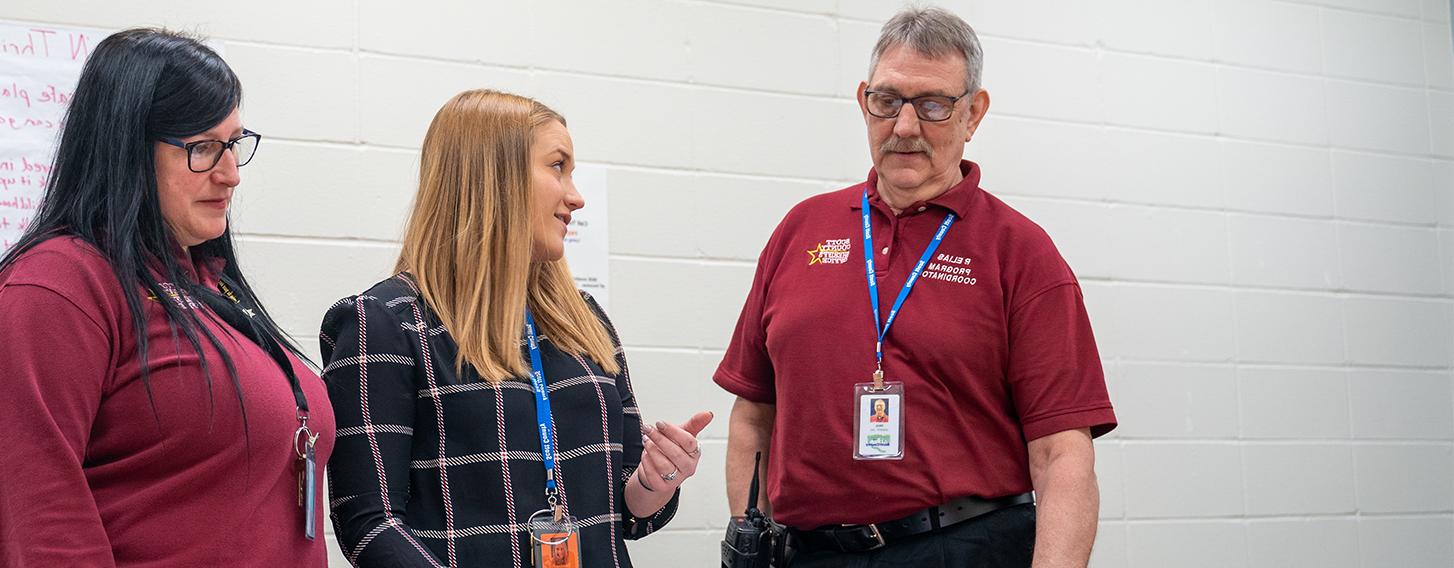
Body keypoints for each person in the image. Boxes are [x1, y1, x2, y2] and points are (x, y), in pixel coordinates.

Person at [716, 6, 1116, 567]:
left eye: (932, 105)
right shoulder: (800, 230)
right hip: (805, 552)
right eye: (887, 102)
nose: (904, 127)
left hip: (964, 545)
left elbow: (1062, 456)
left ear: (974, 113)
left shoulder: (1021, 252)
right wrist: (749, 534)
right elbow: (754, 411)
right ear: (863, 101)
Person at [322, 89, 711, 567]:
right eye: (557, 167)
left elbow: (630, 517)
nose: (576, 196)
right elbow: (370, 526)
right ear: (494, 178)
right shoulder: (386, 322)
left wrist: (656, 479)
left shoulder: (583, 320)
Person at [0, 28, 334, 566]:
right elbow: (40, 517)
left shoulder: (207, 282)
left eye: (234, 145)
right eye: (202, 148)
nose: (229, 175)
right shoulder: (58, 285)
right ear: (126, 148)